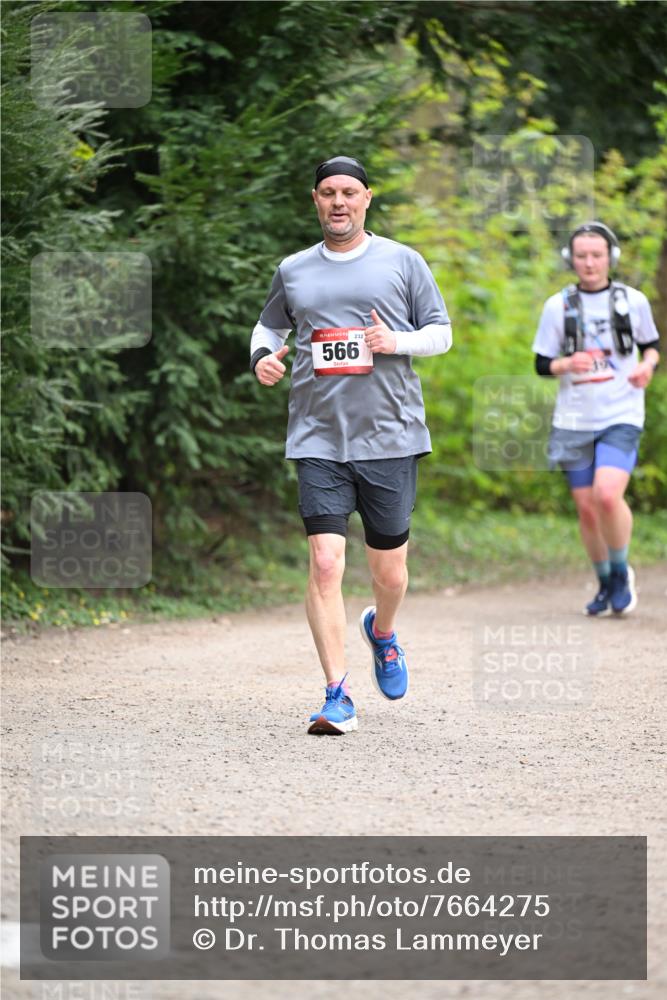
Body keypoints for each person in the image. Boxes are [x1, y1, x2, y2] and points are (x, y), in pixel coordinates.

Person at [250, 155, 452, 734]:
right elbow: (270, 327)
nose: (339, 202)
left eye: (349, 193)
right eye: (328, 193)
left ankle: (382, 633)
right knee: (325, 561)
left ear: (367, 199)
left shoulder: (403, 262)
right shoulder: (293, 270)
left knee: (389, 573)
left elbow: (442, 332)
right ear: (315, 199)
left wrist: (395, 340)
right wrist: (263, 357)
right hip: (317, 436)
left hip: (390, 436)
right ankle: (336, 692)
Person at [533, 221, 660, 616]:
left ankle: (621, 571)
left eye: (597, 255)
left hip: (621, 412)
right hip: (573, 419)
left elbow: (651, 346)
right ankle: (603, 579)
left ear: (611, 257)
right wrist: (566, 362)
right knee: (586, 507)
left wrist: (648, 367)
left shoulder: (632, 300)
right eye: (582, 256)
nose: (589, 263)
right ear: (571, 259)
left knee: (607, 494)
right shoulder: (558, 306)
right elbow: (541, 363)